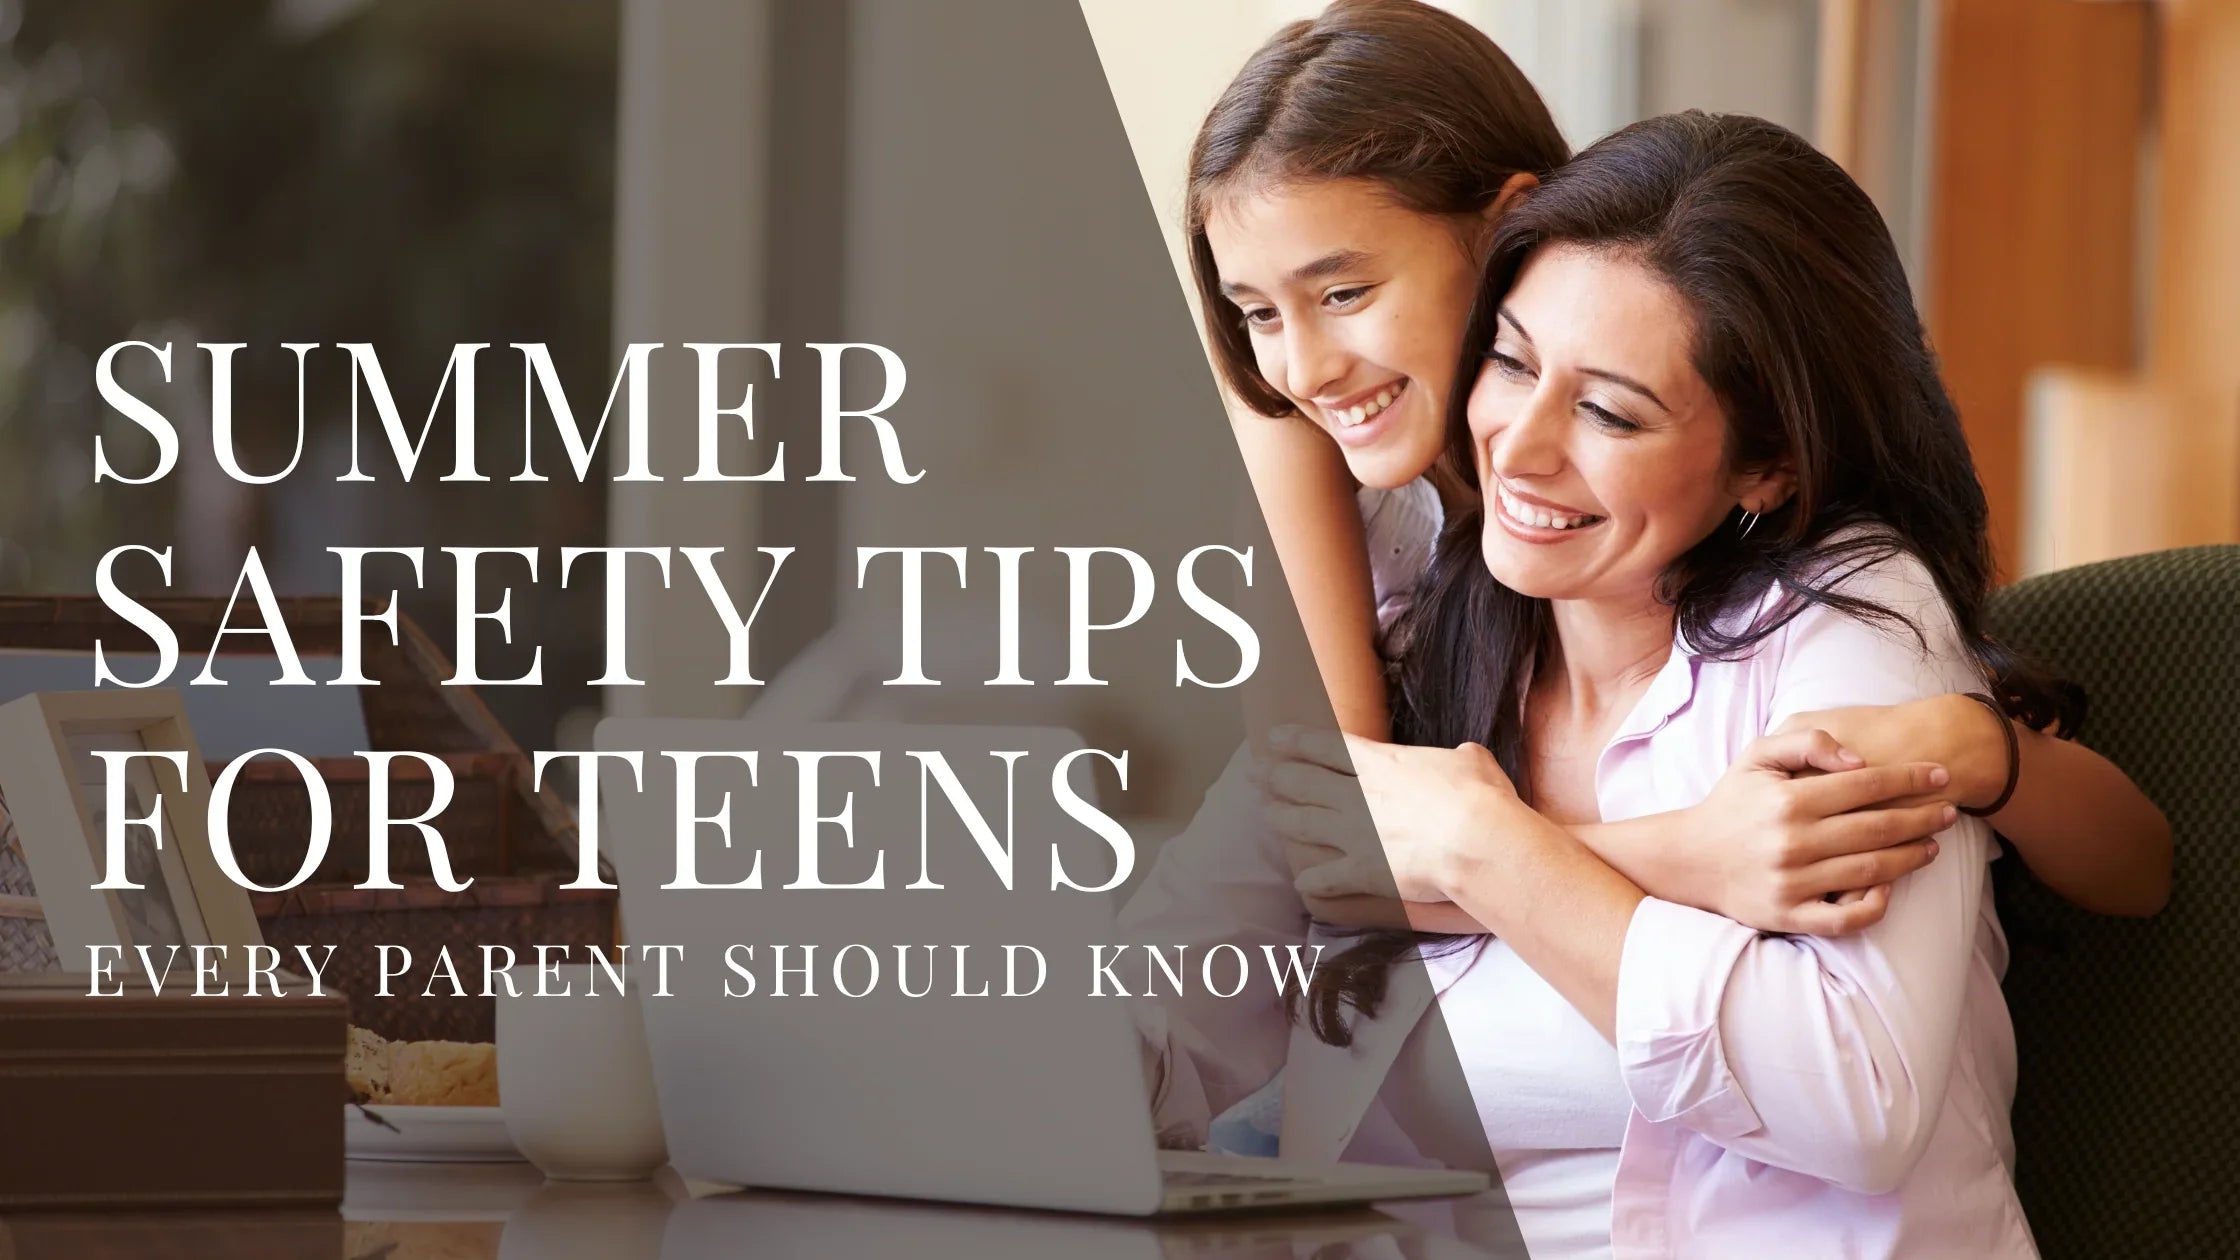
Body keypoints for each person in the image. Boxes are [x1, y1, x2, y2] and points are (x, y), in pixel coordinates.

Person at [1152, 109, 2054, 1257]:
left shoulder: (1848, 623)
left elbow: (1853, 1099)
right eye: (1509, 362)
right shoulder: (1429, 627)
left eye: (1608, 411)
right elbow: (1179, 992)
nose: (1518, 448)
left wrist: (1487, 850)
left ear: (1768, 466)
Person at [1188, 0, 2167, 926]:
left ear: (1501, 226)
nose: (1303, 368)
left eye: (1345, 294)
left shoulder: (1737, 511)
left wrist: (1981, 748)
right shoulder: (1302, 438)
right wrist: (1689, 853)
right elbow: (1327, 859)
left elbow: (2139, 871)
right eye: (1257, 312)